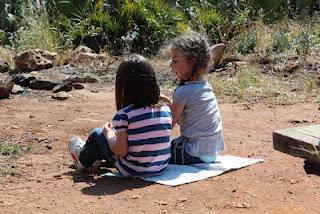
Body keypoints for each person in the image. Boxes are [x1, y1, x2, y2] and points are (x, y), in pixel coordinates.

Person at [68, 54, 172, 177]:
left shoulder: (124, 115)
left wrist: (108, 134)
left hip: (132, 169)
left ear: (123, 87)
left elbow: (121, 152)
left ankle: (83, 160)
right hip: (159, 167)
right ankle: (96, 155)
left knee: (98, 133)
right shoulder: (166, 109)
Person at [161, 32, 225, 165]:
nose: (171, 65)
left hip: (192, 153)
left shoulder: (183, 91)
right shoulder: (205, 86)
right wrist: (169, 102)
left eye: (175, 61)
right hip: (211, 151)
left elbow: (168, 126)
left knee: (153, 151)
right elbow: (191, 120)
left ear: (192, 62)